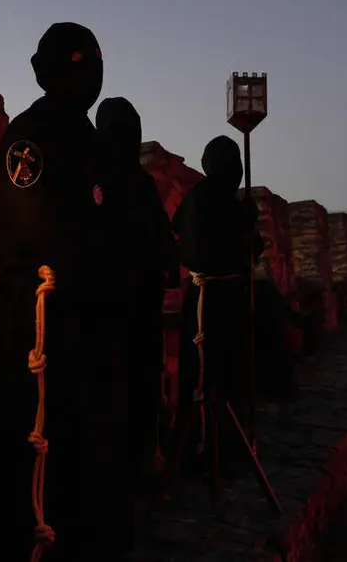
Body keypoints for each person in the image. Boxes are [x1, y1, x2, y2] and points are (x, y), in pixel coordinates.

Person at [0, 23, 131, 561]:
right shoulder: (30, 135)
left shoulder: (90, 140)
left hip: (87, 312)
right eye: (79, 68)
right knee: (35, 430)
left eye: (94, 68)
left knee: (85, 439)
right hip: (42, 310)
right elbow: (32, 228)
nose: (89, 80)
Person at [95, 97, 179, 494]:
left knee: (139, 390)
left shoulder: (138, 183)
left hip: (136, 309)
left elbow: (160, 239)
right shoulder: (101, 181)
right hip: (112, 311)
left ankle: (138, 464)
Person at [169, 135, 255, 475]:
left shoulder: (195, 196)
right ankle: (214, 447)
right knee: (217, 373)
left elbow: (178, 228)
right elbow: (246, 252)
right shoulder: (228, 204)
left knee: (202, 374)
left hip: (201, 297)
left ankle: (205, 445)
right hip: (223, 300)